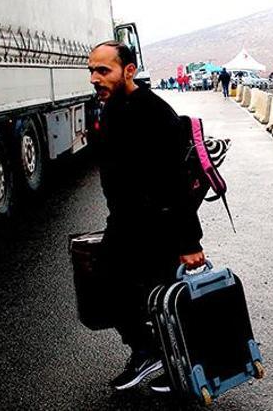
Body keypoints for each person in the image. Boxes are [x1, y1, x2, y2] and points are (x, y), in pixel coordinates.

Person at [87, 41, 206, 392]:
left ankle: (185, 368)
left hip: (159, 224)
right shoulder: (111, 107)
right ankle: (148, 351)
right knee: (108, 285)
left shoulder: (154, 112)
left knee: (164, 297)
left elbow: (177, 180)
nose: (94, 78)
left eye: (103, 70)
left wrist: (189, 241)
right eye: (92, 71)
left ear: (129, 71)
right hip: (124, 220)